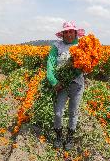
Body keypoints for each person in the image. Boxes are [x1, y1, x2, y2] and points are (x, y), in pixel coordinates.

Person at [46, 21, 85, 150]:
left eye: (71, 31)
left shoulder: (82, 46)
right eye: (66, 32)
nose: (68, 34)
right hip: (61, 85)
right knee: (58, 113)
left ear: (75, 33)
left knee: (73, 112)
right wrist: (54, 82)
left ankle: (69, 137)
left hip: (77, 84)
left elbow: (87, 66)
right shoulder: (57, 46)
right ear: (62, 34)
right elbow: (50, 65)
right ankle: (58, 136)